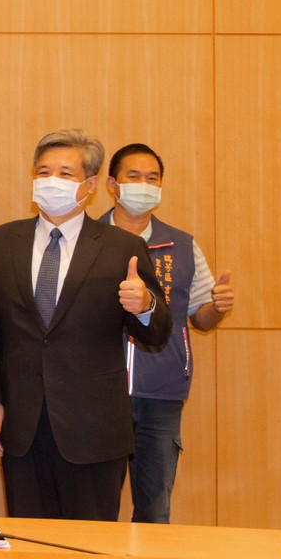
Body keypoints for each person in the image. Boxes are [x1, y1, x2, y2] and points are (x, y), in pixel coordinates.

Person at [0, 129, 171, 521]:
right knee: (30, 544)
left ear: (91, 185)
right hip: (23, 427)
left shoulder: (122, 247)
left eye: (65, 174)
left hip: (94, 431)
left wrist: (146, 305)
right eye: (44, 172)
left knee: (90, 546)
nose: (52, 181)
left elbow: (156, 333)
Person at [101, 142, 235, 524]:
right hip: (98, 393)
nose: (144, 185)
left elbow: (200, 318)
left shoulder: (182, 245)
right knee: (96, 508)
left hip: (161, 393)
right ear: (112, 184)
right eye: (134, 177)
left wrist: (217, 307)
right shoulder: (88, 241)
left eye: (152, 178)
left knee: (155, 509)